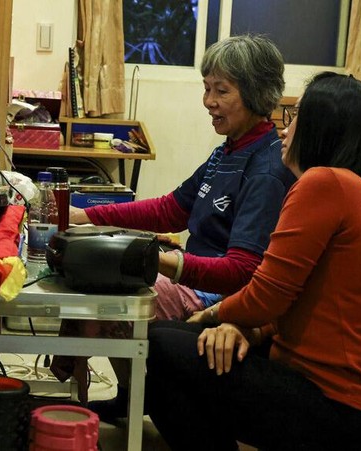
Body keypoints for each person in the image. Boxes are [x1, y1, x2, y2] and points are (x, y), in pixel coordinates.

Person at [145, 72, 361, 450]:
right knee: (175, 342)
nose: (285, 129)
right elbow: (292, 300)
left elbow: (266, 295)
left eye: (294, 117)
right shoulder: (342, 186)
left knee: (163, 347)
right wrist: (245, 329)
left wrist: (213, 317)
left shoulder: (323, 183)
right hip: (328, 391)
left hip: (339, 405)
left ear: (320, 128)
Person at [50, 34, 297, 415]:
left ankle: (135, 400)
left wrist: (163, 262)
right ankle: (122, 395)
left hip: (215, 294)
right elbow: (170, 209)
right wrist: (87, 216)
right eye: (206, 88)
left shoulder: (265, 169)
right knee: (90, 268)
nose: (208, 101)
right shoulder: (228, 150)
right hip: (195, 275)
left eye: (221, 91)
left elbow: (242, 272)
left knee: (107, 291)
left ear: (255, 93)